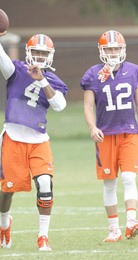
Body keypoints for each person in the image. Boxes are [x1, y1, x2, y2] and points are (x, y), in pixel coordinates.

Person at [0, 20, 68, 250]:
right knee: (7, 190)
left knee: (45, 183)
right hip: (13, 138)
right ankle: (4, 224)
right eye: (36, 52)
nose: (40, 57)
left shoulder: (54, 81)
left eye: (44, 53)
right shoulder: (15, 69)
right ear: (28, 53)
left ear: (50, 56)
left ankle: (43, 236)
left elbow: (60, 106)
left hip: (38, 140)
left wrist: (42, 80)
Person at [81, 30, 138, 242]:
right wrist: (92, 127)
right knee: (109, 183)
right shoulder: (93, 74)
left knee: (129, 177)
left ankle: (131, 221)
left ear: (123, 50)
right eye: (109, 48)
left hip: (129, 132)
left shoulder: (133, 71)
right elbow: (88, 106)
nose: (113, 52)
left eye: (116, 48)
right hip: (105, 135)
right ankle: (114, 229)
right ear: (101, 51)